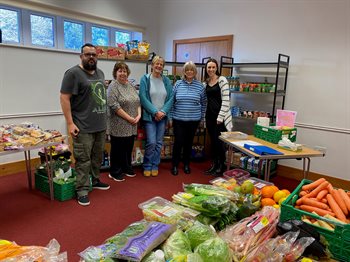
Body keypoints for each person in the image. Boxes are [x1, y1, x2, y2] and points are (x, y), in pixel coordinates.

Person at [60, 43, 110, 206]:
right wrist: (70, 123)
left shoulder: (100, 73)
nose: (91, 57)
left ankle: (95, 180)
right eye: (87, 54)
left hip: (100, 125)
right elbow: (64, 98)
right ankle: (81, 189)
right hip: (82, 126)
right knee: (83, 159)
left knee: (97, 157)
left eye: (94, 55)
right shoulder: (73, 73)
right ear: (81, 56)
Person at [139, 56, 174, 177]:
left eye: (161, 64)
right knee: (151, 142)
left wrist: (163, 112)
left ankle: (155, 164)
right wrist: (155, 112)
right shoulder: (145, 79)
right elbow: (143, 98)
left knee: (159, 143)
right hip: (150, 117)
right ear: (152, 65)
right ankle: (147, 165)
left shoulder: (166, 81)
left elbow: (170, 98)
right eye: (157, 64)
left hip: (162, 117)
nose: (159, 66)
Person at [170, 61, 207, 176]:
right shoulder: (178, 84)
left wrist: (202, 119)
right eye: (187, 70)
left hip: (193, 120)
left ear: (195, 72)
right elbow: (171, 101)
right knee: (178, 142)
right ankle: (175, 165)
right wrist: (170, 117)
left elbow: (204, 103)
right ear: (184, 72)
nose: (189, 71)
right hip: (178, 119)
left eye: (192, 69)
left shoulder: (200, 86)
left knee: (188, 143)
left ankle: (186, 164)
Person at [107, 62, 141, 182]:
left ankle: (126, 167)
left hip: (132, 124)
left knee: (128, 147)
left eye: (125, 71)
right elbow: (114, 105)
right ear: (115, 73)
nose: (123, 73)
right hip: (118, 124)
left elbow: (137, 101)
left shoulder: (130, 85)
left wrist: (139, 116)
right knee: (117, 148)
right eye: (120, 71)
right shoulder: (113, 86)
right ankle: (115, 171)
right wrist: (129, 118)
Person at [203, 58, 232, 176]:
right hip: (209, 116)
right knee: (213, 143)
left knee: (219, 143)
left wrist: (220, 117)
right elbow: (205, 100)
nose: (211, 69)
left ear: (217, 68)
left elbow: (226, 100)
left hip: (220, 118)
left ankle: (221, 166)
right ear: (206, 69)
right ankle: (214, 165)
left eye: (213, 67)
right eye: (209, 67)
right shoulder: (205, 82)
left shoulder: (222, 80)